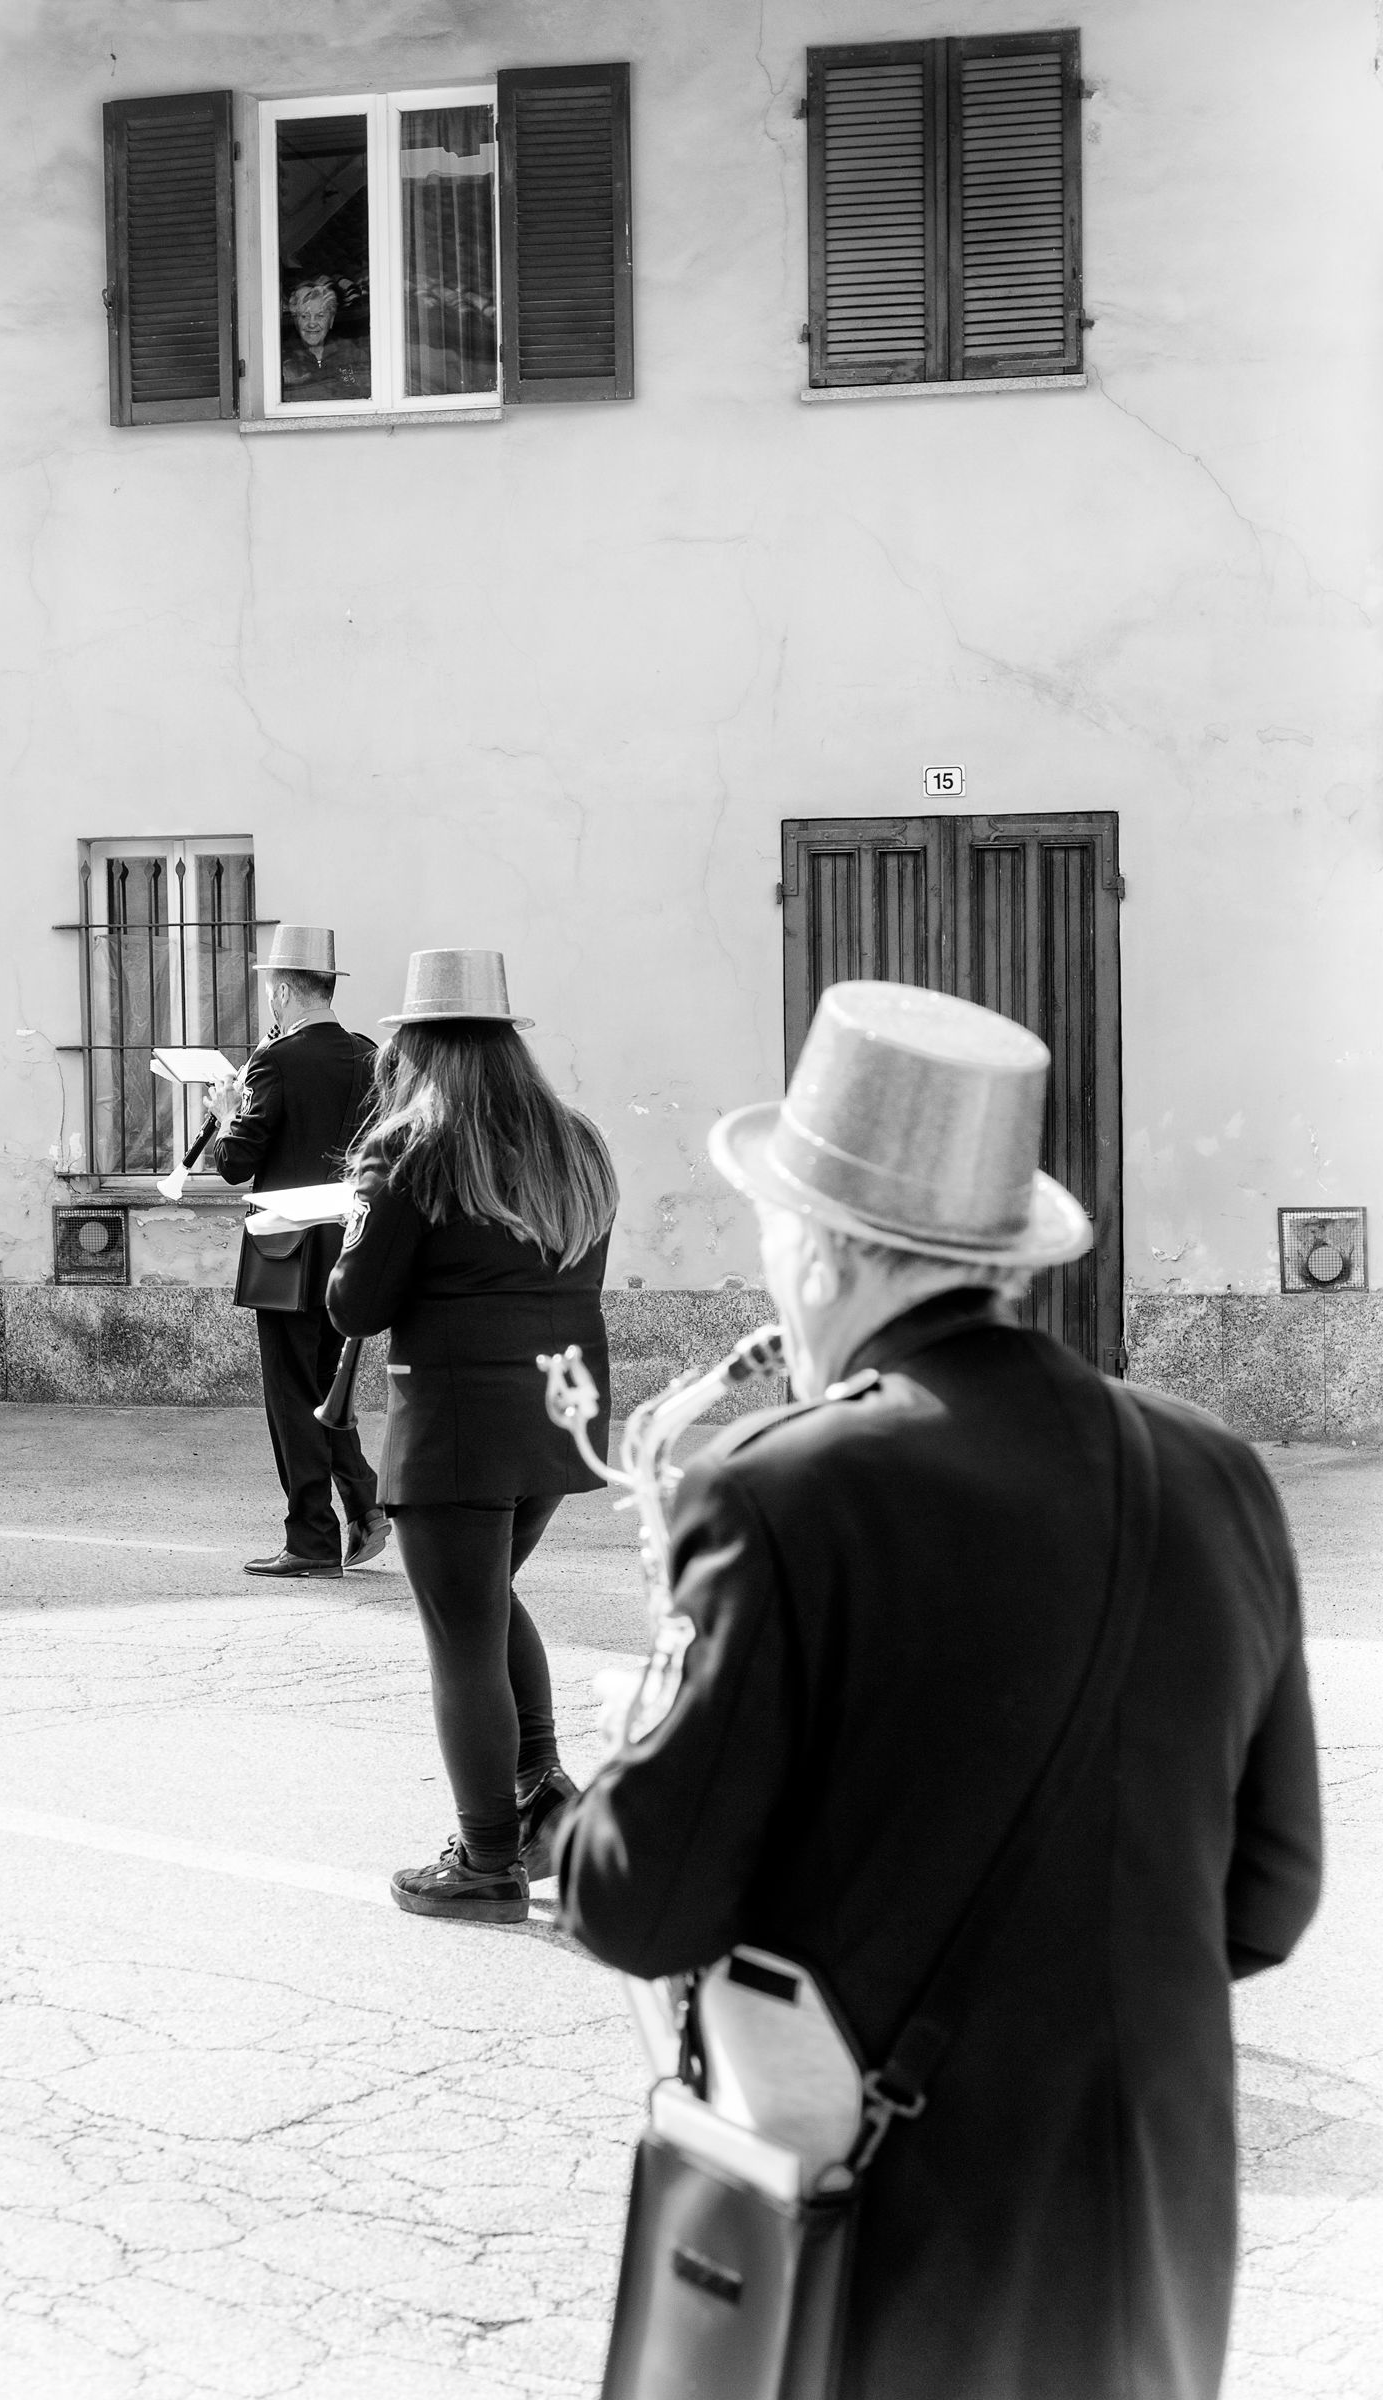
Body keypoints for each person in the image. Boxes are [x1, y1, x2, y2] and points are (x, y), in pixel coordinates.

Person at [556, 980, 1322, 2400]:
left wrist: (626, 1753)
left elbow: (636, 1903)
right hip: (1153, 2236)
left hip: (885, 2242)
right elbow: (1267, 1895)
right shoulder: (1218, 1473)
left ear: (830, 1253)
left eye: (775, 1232)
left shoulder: (781, 1493)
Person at [326, 948, 617, 1927]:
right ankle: (537, 1799)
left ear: (411, 1043)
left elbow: (355, 1306)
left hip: (457, 1415)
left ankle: (488, 1859)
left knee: (460, 1641)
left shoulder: (413, 1148)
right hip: (559, 1404)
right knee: (485, 1602)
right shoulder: (573, 1139)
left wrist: (358, 1215)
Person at [209, 925, 388, 1580]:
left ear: (283, 991)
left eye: (269, 993)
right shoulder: (371, 1056)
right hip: (349, 1243)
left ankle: (311, 1537)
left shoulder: (274, 1062)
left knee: (293, 1397)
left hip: (287, 1247)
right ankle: (365, 1506)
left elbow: (235, 1163)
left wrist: (228, 1113)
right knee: (326, 1390)